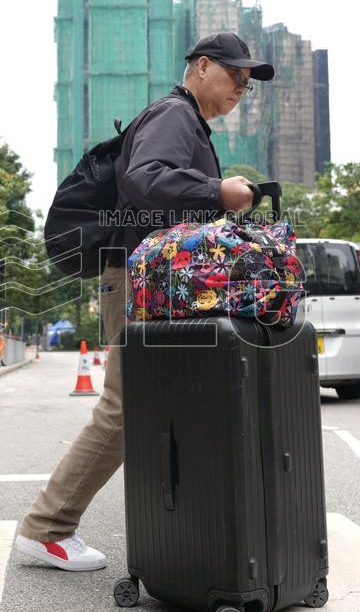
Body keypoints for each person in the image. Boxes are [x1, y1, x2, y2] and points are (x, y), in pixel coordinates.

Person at [14, 32, 275, 571]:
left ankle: (191, 528)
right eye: (235, 77)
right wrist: (217, 191)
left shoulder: (189, 124)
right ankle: (47, 528)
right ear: (202, 67)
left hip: (158, 281)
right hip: (142, 281)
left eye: (247, 85)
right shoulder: (173, 115)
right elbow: (145, 178)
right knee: (128, 407)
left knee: (166, 404)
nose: (241, 89)